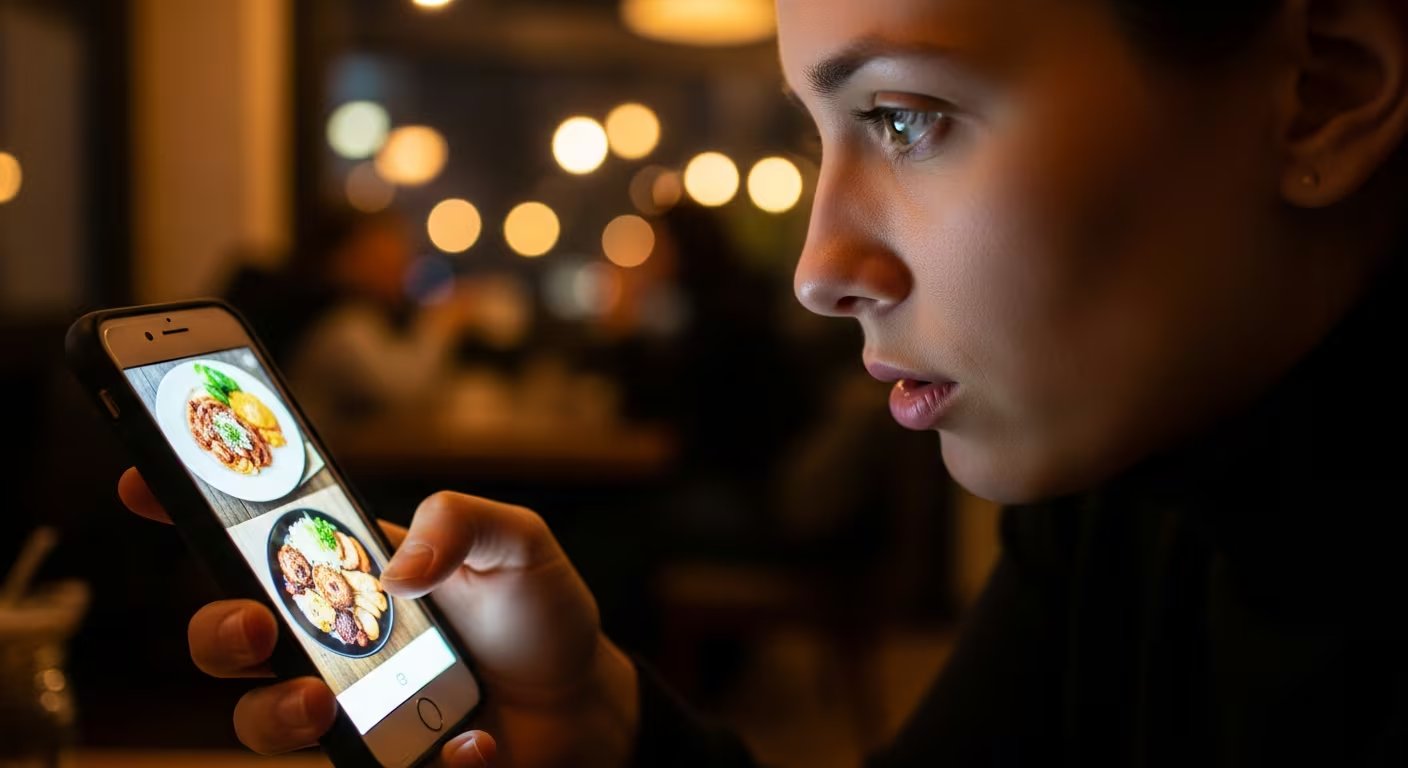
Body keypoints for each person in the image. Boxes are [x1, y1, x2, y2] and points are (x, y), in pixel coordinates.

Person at [115, 0, 1407, 765]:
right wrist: (603, 721)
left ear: (1321, 95)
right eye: (819, 131)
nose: (817, 270)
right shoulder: (1122, 515)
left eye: (905, 117)